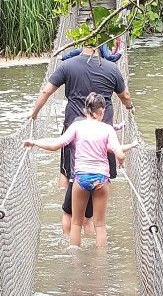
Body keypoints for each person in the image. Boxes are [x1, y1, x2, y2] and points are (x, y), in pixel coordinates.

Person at [28, 37, 133, 239]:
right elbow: (125, 95)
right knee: (100, 197)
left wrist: (34, 113)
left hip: (74, 132)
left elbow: (46, 91)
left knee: (69, 175)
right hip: (104, 135)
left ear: (81, 41)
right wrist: (130, 108)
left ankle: (70, 215)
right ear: (103, 42)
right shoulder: (111, 68)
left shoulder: (68, 65)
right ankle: (92, 227)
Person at [25, 94, 134, 247]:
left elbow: (56, 145)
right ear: (101, 111)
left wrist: (34, 142)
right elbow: (120, 153)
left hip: (81, 178)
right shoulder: (108, 129)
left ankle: (75, 261)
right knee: (100, 225)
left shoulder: (77, 126)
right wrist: (121, 162)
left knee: (76, 223)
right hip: (101, 179)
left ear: (86, 111)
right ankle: (101, 262)